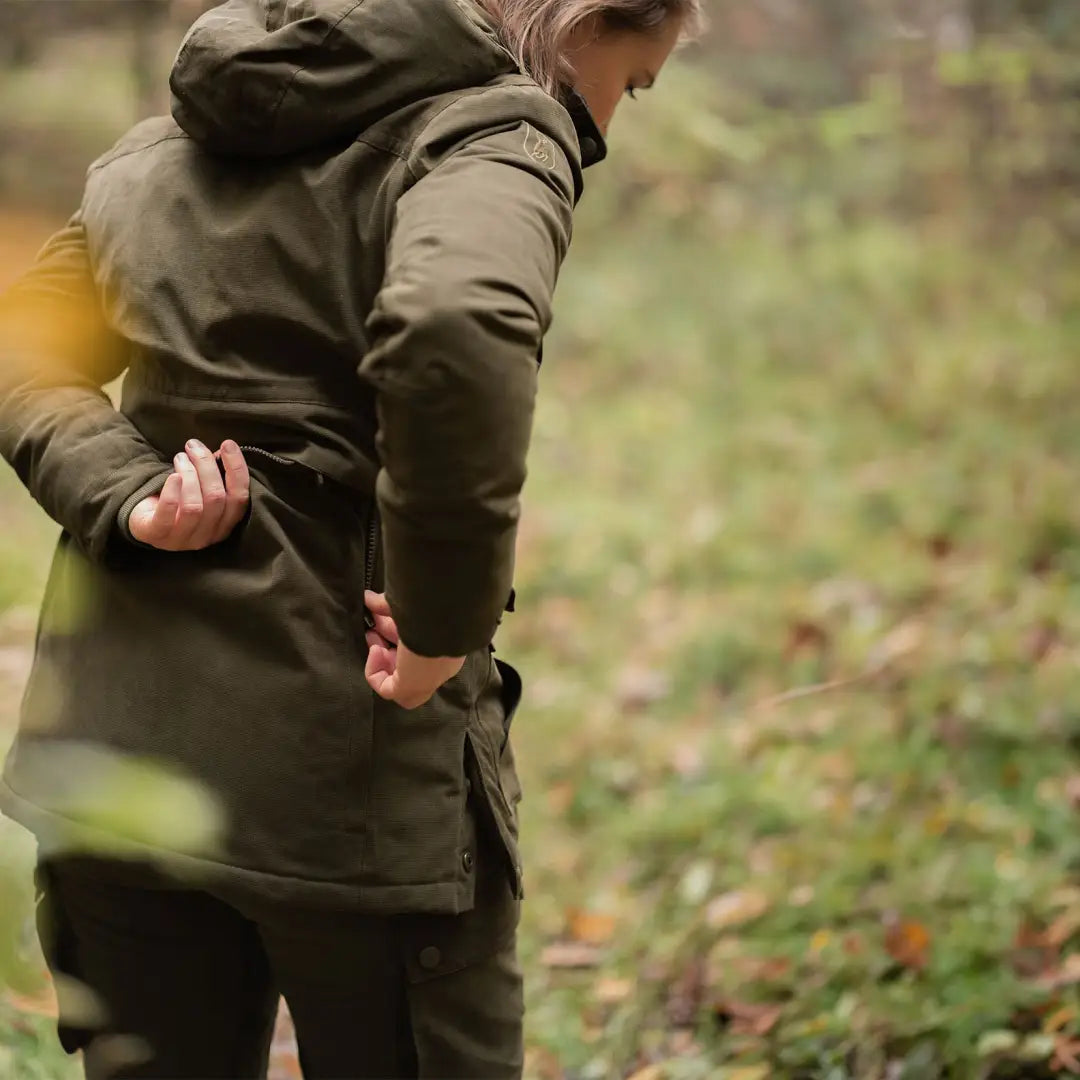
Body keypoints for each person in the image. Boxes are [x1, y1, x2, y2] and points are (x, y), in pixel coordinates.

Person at [0, 0, 701, 1076]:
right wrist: (438, 622)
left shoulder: (162, 147)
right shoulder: (495, 136)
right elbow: (455, 328)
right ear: (586, 22)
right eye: (634, 80)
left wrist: (128, 490)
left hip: (118, 749)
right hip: (351, 770)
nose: (616, 112)